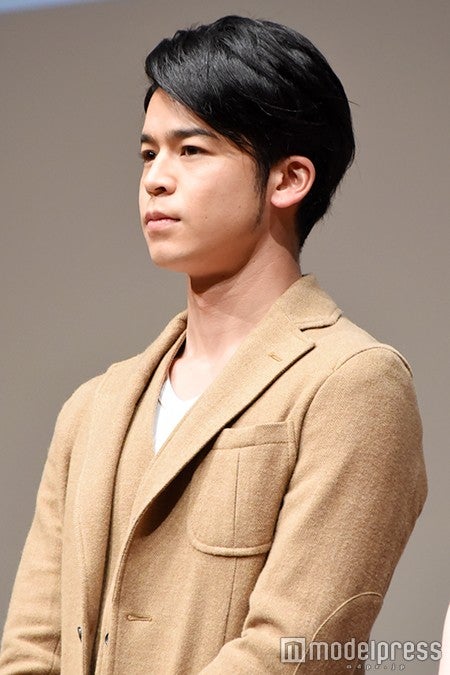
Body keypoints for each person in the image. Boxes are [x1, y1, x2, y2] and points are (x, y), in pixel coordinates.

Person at [0, 15, 427, 674]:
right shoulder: (93, 407)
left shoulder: (352, 382)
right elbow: (33, 647)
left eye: (192, 150)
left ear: (289, 179)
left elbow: (292, 650)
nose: (155, 178)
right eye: (148, 153)